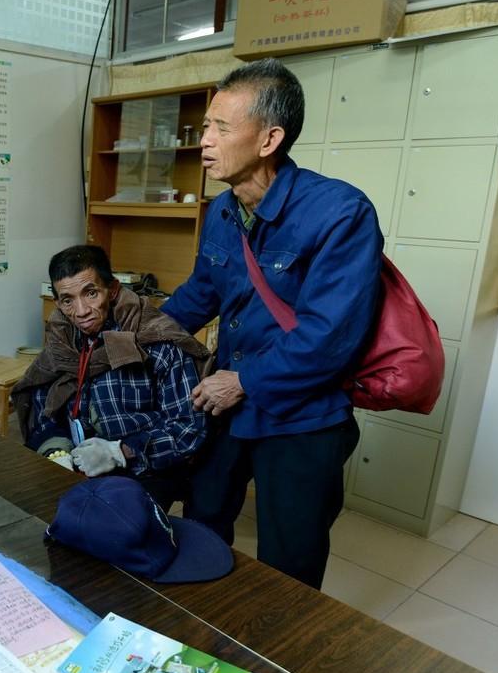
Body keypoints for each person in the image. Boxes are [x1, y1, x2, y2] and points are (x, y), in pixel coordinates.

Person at [160, 58, 383, 589]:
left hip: (302, 417)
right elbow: (200, 294)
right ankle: (205, 629)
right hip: (226, 405)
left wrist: (244, 381)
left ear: (268, 139)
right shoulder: (222, 209)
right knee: (201, 523)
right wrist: (133, 336)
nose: (205, 140)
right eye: (206, 126)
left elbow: (330, 337)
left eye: (221, 128)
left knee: (291, 558)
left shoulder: (340, 212)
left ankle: (282, 664)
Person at [12, 245, 209, 508]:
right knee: (21, 509)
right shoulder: (63, 340)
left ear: (113, 289)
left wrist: (120, 452)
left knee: (113, 529)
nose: (81, 311)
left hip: (144, 469)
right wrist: (56, 448)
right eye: (68, 300)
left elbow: (188, 431)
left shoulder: (156, 342)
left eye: (91, 293)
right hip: (76, 461)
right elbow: (41, 400)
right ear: (58, 303)